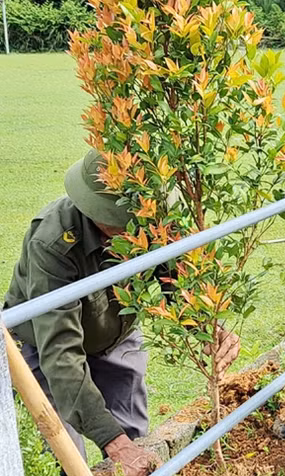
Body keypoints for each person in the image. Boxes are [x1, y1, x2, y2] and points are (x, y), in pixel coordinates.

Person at [2, 150, 240, 476]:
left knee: (135, 442)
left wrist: (207, 324)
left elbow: (176, 277)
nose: (136, 232)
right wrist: (112, 441)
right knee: (68, 458)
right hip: (44, 350)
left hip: (116, 336)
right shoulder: (53, 242)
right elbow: (60, 350)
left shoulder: (152, 221)